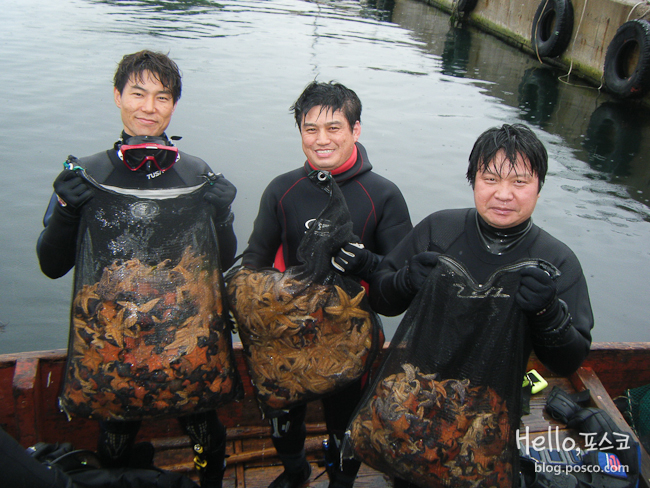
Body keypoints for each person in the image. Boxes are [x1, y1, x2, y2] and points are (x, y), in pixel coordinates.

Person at [36, 50, 237, 488]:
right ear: (117, 96)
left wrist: (223, 216)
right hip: (114, 334)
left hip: (184, 333)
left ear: (173, 106)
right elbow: (51, 266)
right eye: (138, 93)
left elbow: (220, 263)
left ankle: (211, 481)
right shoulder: (85, 174)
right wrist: (68, 209)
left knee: (206, 430)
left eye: (161, 97)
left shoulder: (196, 174)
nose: (149, 107)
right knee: (116, 434)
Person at [363, 123, 594, 486]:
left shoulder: (556, 261)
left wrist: (549, 314)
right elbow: (381, 298)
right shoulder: (438, 231)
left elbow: (569, 360)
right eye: (491, 179)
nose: (504, 194)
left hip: (493, 406)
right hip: (418, 393)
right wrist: (405, 280)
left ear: (539, 186)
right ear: (473, 180)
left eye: (520, 182)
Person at [241, 81, 413, 488]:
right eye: (310, 129)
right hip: (288, 331)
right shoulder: (283, 190)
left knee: (345, 418)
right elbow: (253, 263)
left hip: (350, 336)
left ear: (356, 130)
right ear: (300, 131)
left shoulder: (383, 195)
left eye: (334, 128)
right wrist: (253, 310)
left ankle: (341, 481)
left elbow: (401, 284)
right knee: (283, 412)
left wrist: (369, 263)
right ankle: (295, 470)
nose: (321, 140)